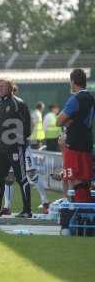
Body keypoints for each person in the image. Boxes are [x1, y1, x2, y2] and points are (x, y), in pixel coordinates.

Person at [0, 78, 33, 218]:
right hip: (2, 148)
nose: (0, 89)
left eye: (3, 86)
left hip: (16, 147)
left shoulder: (18, 103)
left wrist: (18, 139)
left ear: (10, 88)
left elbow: (28, 126)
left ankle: (27, 210)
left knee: (21, 178)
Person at [57, 69, 95, 202]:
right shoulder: (91, 98)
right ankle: (86, 211)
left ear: (73, 82)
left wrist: (68, 122)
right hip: (87, 143)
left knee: (74, 179)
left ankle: (77, 210)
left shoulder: (75, 99)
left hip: (74, 144)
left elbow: (59, 121)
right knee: (85, 179)